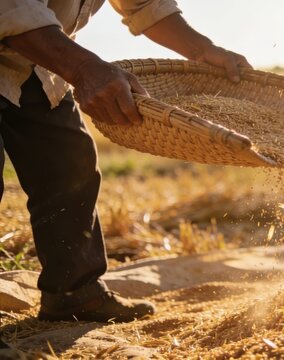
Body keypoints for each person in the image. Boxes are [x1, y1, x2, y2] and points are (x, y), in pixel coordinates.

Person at [0, 0, 252, 322]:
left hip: (35, 64)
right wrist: (83, 69)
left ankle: (74, 294)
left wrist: (202, 49)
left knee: (70, 166)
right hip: (30, 43)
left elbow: (144, 3)